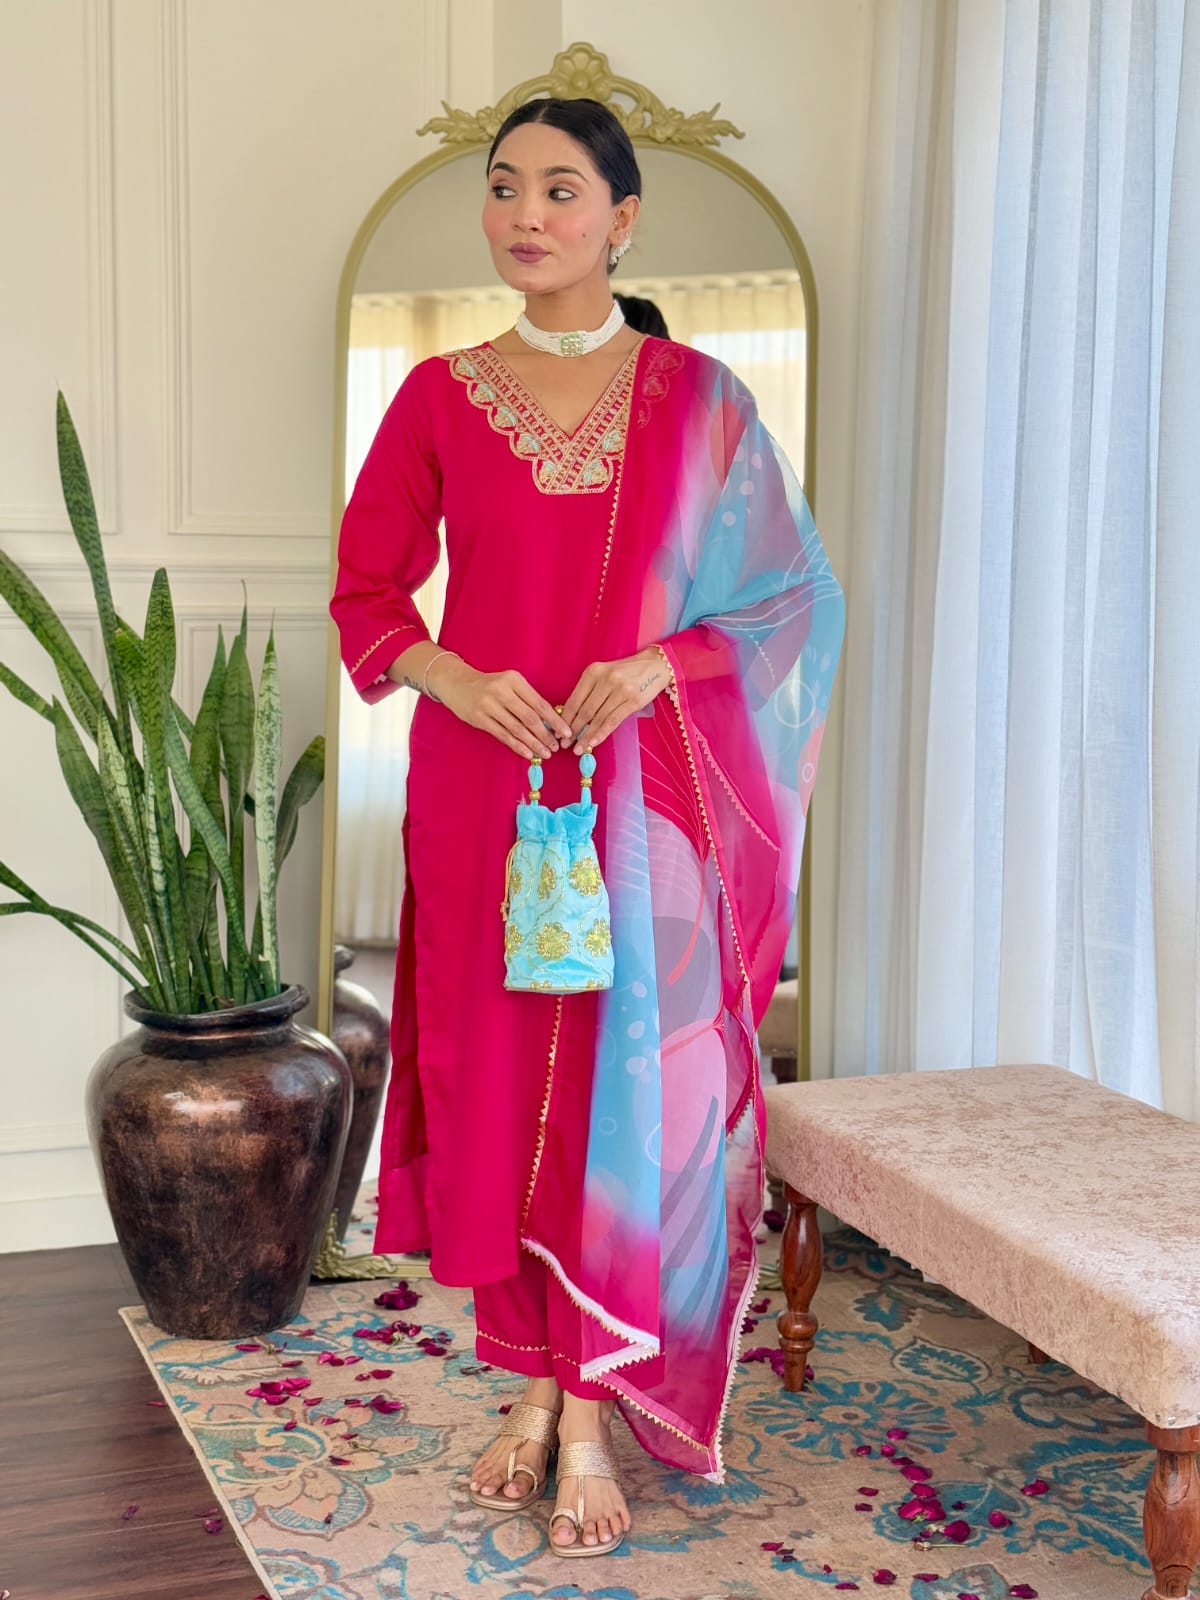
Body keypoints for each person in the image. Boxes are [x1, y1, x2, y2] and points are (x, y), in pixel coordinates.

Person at [330, 95, 844, 1559]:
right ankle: (529, 1383)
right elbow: (370, 597)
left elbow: (792, 598)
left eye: (562, 189)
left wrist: (658, 664)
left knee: (634, 1091)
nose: (524, 214)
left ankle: (593, 1404)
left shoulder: (703, 402)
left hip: (643, 796)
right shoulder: (437, 395)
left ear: (625, 219)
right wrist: (454, 672)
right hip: (486, 784)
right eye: (504, 189)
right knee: (499, 1073)